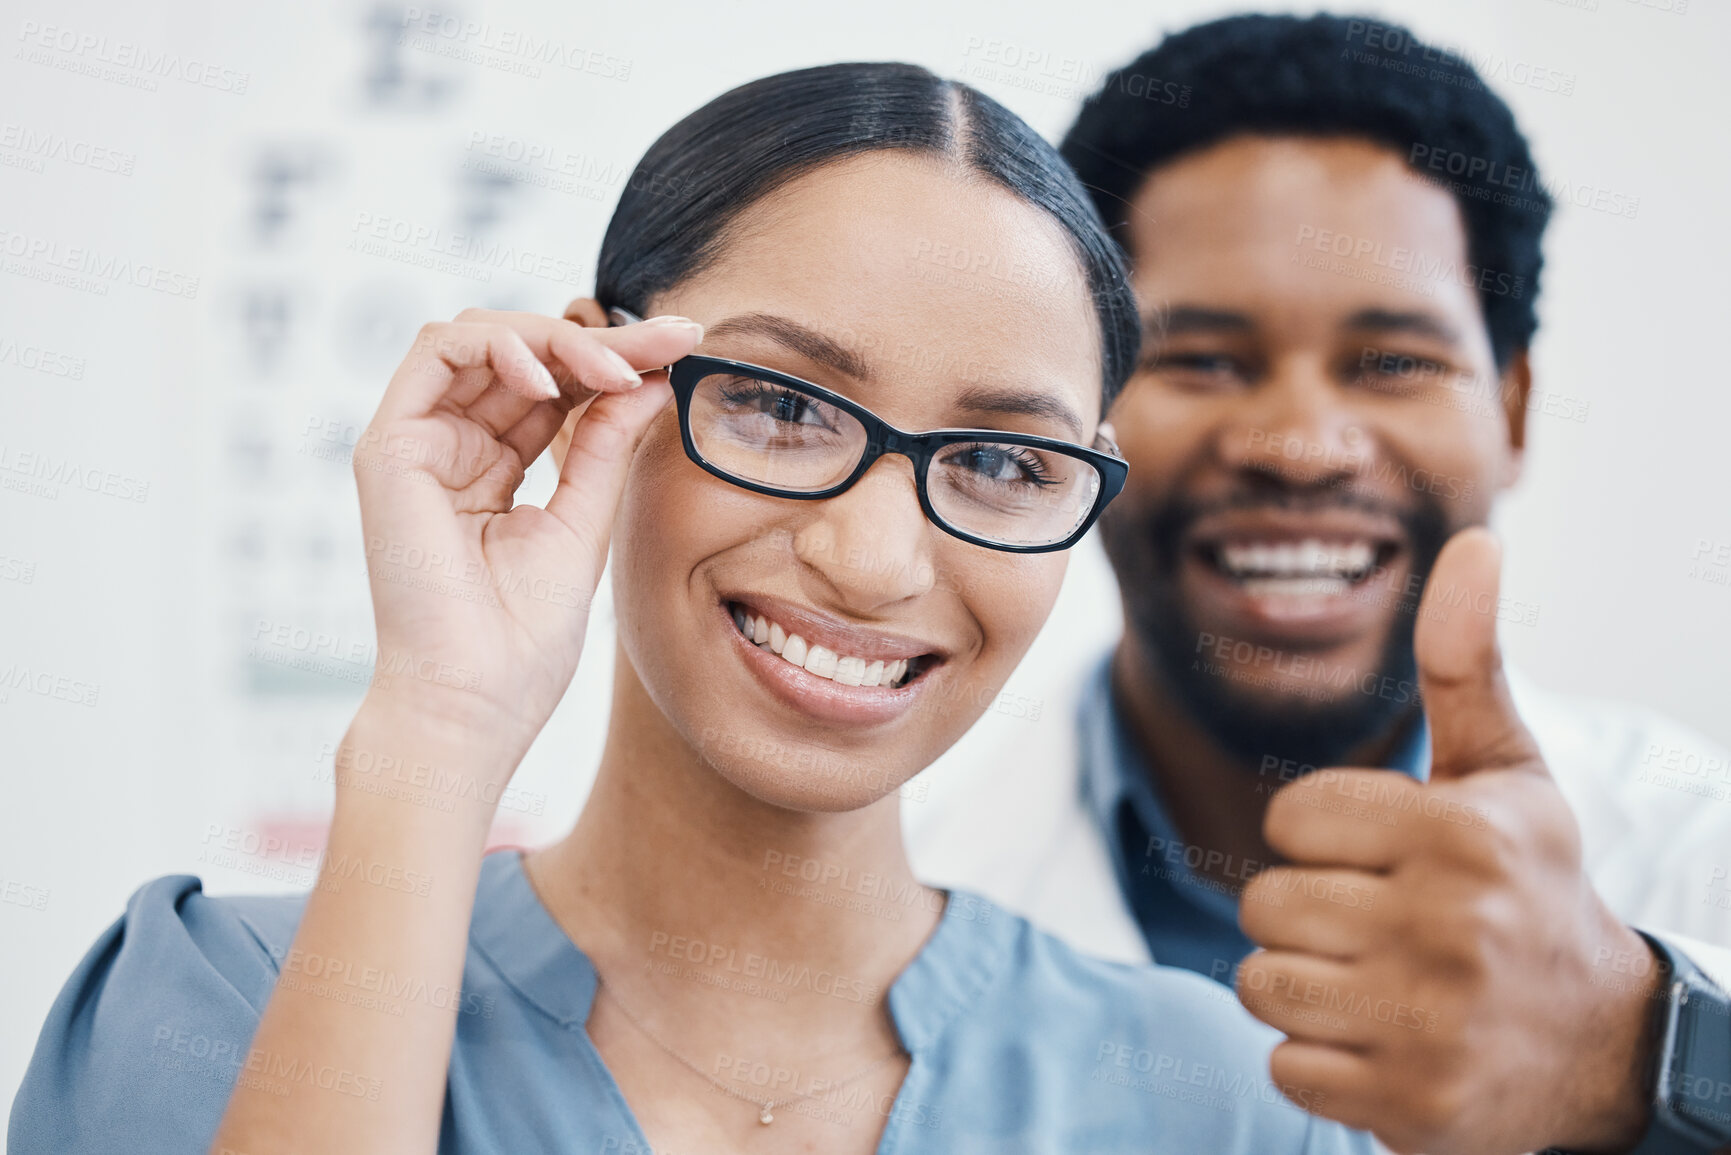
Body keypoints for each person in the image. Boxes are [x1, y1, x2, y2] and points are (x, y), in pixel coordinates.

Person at [8, 63, 1378, 1155]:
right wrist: (437, 729)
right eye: (780, 405)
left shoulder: (1232, 1105)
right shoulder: (208, 1000)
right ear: (592, 377)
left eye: (1004, 461)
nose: (872, 557)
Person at [906, 15, 1731, 1155]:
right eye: (1200, 358)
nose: (1301, 447)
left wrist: (1639, 1053)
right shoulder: (902, 865)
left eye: (1392, 361)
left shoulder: (1699, 847)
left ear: (1515, 410)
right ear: (1078, 417)